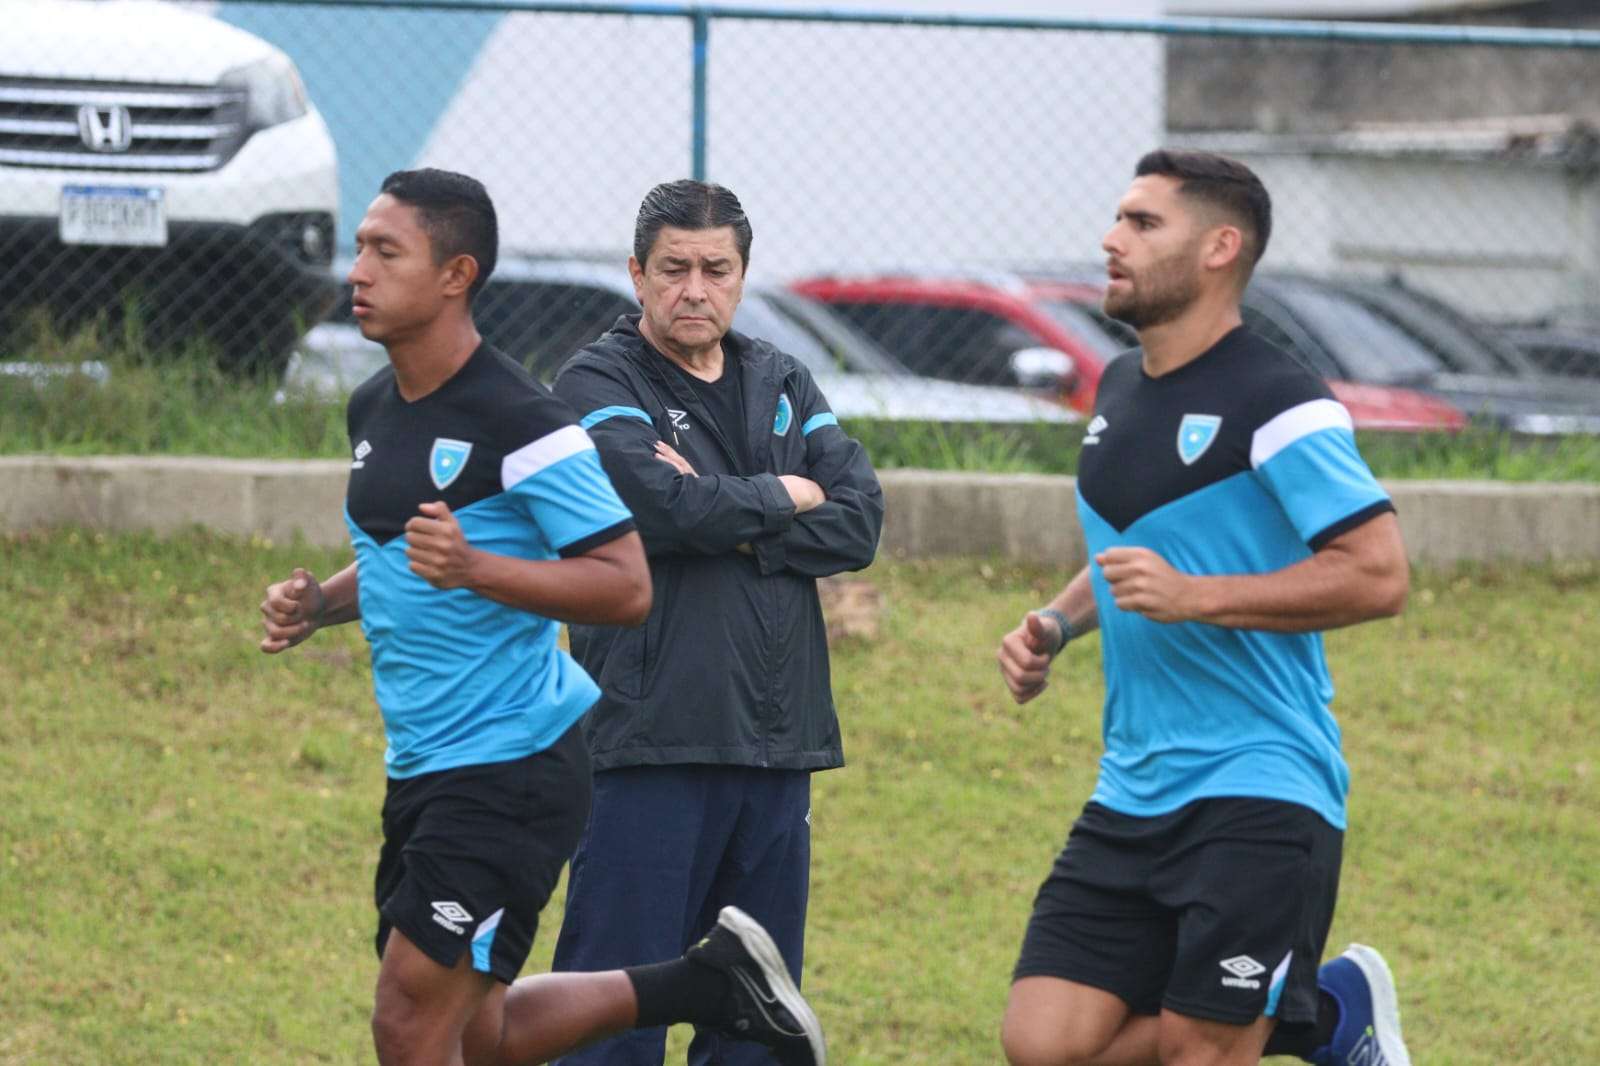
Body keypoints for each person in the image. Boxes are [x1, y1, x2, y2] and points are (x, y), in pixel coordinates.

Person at [258, 168, 826, 1066]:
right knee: (476, 1032)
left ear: (456, 274)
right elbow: (409, 556)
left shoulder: (523, 418)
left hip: (511, 761)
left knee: (407, 1024)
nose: (356, 269)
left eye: (384, 250)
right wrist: (320, 605)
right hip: (424, 762)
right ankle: (704, 983)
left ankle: (706, 984)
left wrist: (477, 567)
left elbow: (624, 581)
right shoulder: (374, 407)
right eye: (361, 247)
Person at [994, 150, 1414, 1066]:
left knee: (1202, 1049)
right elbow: (1133, 548)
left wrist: (1198, 600)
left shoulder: (1282, 402)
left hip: (1262, 784)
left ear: (1221, 247)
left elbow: (1379, 574)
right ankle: (1324, 1014)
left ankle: (1314, 1011)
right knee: (1040, 1045)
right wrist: (1060, 623)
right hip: (1134, 782)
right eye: (1118, 218)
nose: (1112, 239)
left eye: (1144, 224)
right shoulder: (1118, 388)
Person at [548, 179, 884, 1065]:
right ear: (637, 273)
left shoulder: (783, 377)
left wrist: (729, 517)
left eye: (715, 269)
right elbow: (652, 506)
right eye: (674, 269)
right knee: (616, 1010)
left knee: (756, 1018)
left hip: (779, 746)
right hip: (653, 739)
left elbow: (860, 520)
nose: (694, 289)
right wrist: (782, 496)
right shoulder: (598, 378)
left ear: (740, 276)